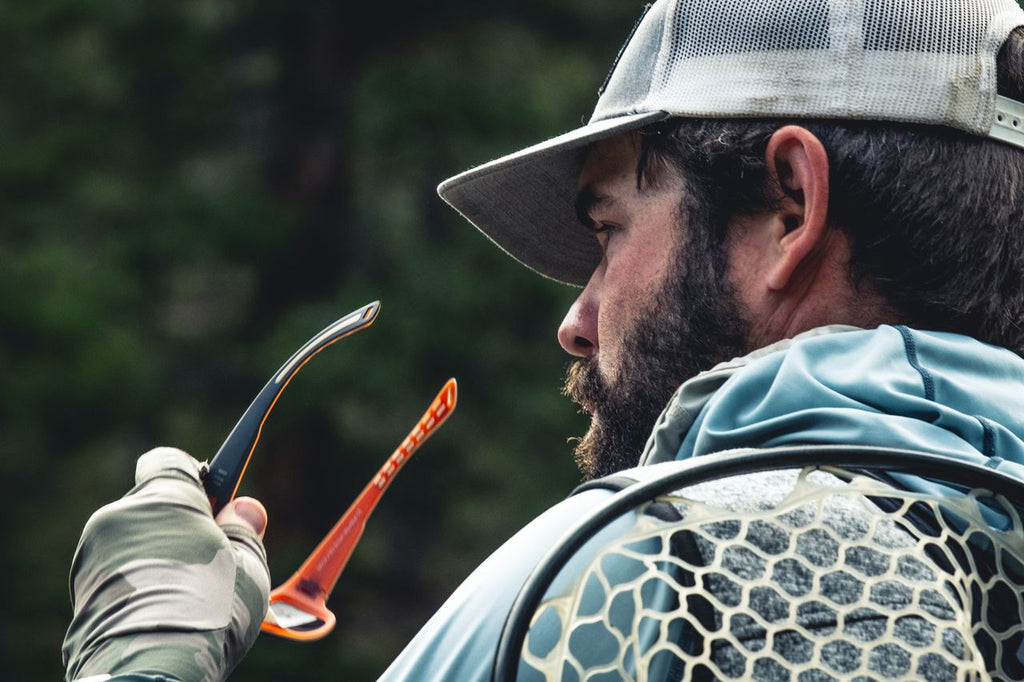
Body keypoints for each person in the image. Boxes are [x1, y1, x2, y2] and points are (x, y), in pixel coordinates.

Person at [64, 0, 1024, 680]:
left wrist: (143, 663)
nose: (576, 319)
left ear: (791, 207)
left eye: (608, 230)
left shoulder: (685, 571)